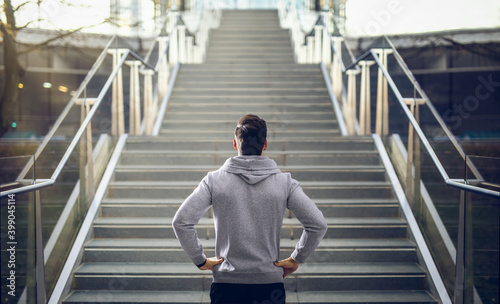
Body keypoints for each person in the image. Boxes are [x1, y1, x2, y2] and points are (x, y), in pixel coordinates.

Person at [172, 114, 328, 304]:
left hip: (226, 285)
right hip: (269, 286)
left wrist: (201, 260)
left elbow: (181, 221)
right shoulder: (284, 182)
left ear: (236, 144)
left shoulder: (214, 181)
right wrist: (296, 258)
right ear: (265, 144)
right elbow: (318, 224)